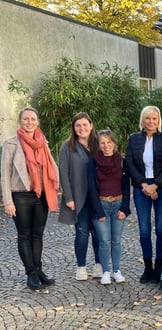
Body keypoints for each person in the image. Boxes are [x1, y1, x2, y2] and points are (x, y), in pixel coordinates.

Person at [1, 107, 58, 290]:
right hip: (21, 195)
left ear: (37, 122)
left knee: (38, 234)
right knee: (24, 235)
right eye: (26, 119)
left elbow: (50, 166)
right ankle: (31, 273)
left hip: (40, 195)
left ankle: (39, 270)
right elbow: (5, 174)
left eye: (33, 119)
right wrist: (8, 201)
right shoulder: (11, 143)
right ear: (20, 121)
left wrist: (54, 189)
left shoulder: (43, 142)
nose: (29, 122)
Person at [124, 106, 162, 284]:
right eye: (147, 118)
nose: (151, 122)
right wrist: (144, 184)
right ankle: (148, 267)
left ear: (158, 120)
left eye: (154, 118)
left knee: (161, 228)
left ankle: (158, 267)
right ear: (142, 120)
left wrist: (156, 185)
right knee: (144, 229)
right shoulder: (134, 139)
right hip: (140, 187)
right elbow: (128, 163)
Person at [58, 112, 102, 281]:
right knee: (82, 232)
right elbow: (63, 173)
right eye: (78, 125)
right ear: (74, 128)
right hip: (78, 197)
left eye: (85, 124)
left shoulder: (100, 144)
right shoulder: (68, 147)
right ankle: (81, 267)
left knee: (99, 233)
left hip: (98, 197)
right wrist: (68, 198)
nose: (82, 128)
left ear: (91, 125)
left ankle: (99, 264)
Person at [87, 130, 131, 285]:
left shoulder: (121, 161)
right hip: (101, 205)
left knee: (116, 240)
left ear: (114, 143)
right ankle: (106, 271)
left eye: (109, 142)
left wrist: (125, 208)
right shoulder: (93, 163)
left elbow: (126, 186)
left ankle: (117, 270)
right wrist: (99, 211)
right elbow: (91, 188)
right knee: (104, 240)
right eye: (103, 143)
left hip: (118, 204)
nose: (106, 146)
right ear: (98, 145)